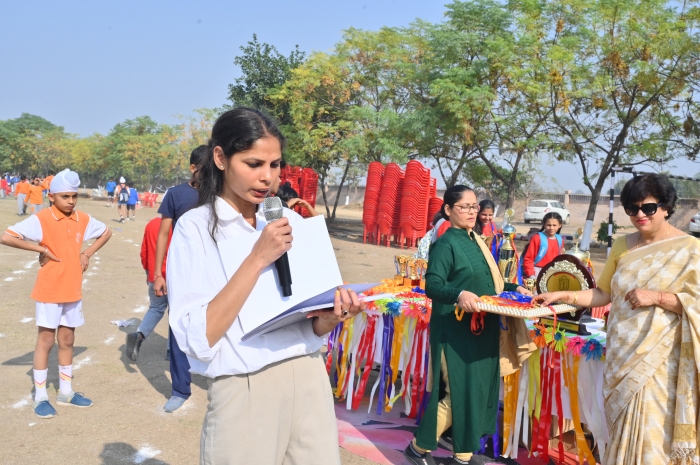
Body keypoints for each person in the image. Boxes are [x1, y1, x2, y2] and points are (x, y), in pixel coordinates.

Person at [167, 108, 364, 464]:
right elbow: (199, 338)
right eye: (254, 163)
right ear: (220, 158)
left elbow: (308, 324)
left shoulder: (287, 219)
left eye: (275, 165)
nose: (267, 177)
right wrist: (257, 258)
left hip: (309, 376)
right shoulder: (195, 228)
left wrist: (333, 316)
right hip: (246, 388)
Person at [533, 174, 700, 464]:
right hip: (621, 354)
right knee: (620, 432)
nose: (639, 215)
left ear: (666, 207)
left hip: (660, 361)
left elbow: (695, 303)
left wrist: (657, 297)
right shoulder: (623, 245)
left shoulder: (690, 250)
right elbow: (602, 294)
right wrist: (562, 295)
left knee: (652, 438)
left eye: (648, 208)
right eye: (632, 209)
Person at [404, 185, 532, 465]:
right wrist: (459, 295)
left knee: (477, 391)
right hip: (455, 330)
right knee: (458, 394)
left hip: (482, 329)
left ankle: (463, 455)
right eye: (465, 207)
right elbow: (432, 286)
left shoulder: (476, 240)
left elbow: (488, 282)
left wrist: (515, 288)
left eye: (475, 206)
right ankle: (417, 448)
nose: (472, 212)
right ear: (448, 210)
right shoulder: (445, 244)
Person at [0, 169, 113, 419]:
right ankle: (40, 396)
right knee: (46, 341)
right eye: (65, 196)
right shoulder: (41, 219)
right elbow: (6, 237)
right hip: (49, 290)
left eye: (74, 196)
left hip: (72, 289)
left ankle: (66, 392)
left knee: (67, 339)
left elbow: (106, 232)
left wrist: (87, 253)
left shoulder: (82, 218)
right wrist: (41, 249)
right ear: (51, 196)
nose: (71, 201)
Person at [152, 145, 207, 412]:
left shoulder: (221, 194)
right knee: (178, 327)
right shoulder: (175, 194)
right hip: (182, 271)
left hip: (213, 271)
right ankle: (180, 389)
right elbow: (163, 234)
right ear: (193, 168)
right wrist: (158, 273)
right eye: (205, 170)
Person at [125, 216, 171, 361]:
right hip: (174, 276)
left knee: (156, 308)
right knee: (176, 313)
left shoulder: (151, 223)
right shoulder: (179, 224)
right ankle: (171, 350)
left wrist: (149, 272)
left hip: (155, 276)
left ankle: (139, 335)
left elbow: (144, 252)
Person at [521, 212, 563, 280]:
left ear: (560, 225)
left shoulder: (560, 239)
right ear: (544, 224)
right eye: (548, 225)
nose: (551, 228)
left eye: (554, 225)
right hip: (537, 273)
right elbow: (528, 258)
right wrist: (531, 275)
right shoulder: (537, 238)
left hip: (553, 273)